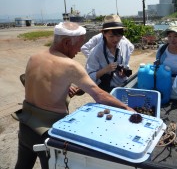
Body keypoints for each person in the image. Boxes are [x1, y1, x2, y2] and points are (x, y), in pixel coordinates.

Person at [14, 22, 134, 169]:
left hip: (25, 125)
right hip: (46, 131)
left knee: (22, 166)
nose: (80, 49)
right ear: (66, 42)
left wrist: (64, 89)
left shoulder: (34, 57)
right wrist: (126, 108)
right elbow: (99, 95)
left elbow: (36, 83)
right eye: (79, 44)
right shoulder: (70, 65)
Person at [86, 14, 133, 93]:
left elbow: (126, 65)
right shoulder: (96, 52)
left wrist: (124, 72)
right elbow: (89, 77)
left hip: (123, 86)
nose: (115, 39)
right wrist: (105, 70)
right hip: (105, 91)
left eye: (118, 36)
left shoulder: (125, 45)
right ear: (103, 33)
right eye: (111, 36)